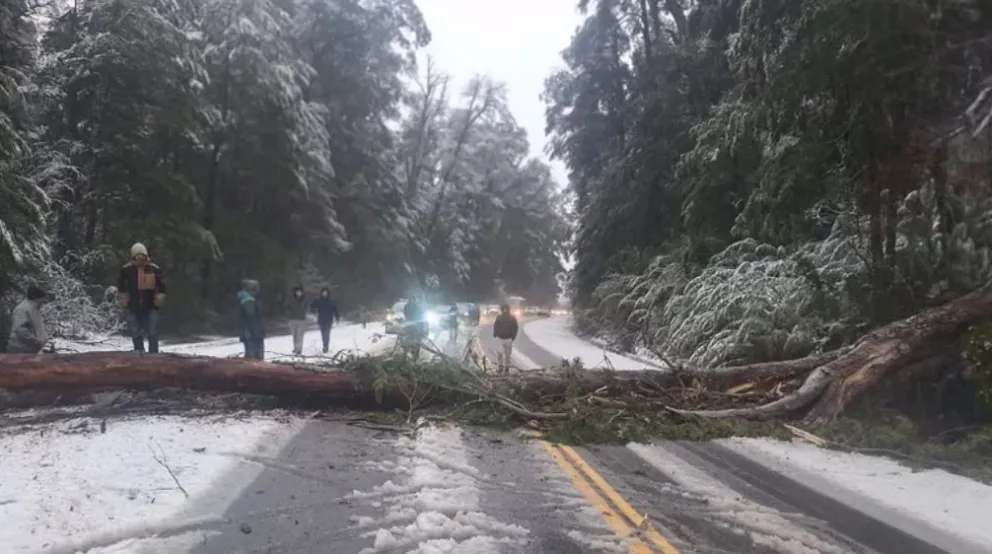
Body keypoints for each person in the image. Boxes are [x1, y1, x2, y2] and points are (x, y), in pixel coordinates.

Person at [118, 243, 165, 353]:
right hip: (132, 306)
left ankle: (154, 355)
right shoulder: (126, 270)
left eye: (142, 256)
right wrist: (123, 297)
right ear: (133, 257)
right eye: (137, 257)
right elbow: (121, 286)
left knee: (152, 331)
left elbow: (162, 286)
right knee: (135, 331)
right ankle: (139, 354)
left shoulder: (154, 269)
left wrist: (160, 296)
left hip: (150, 306)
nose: (140, 260)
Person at [7, 286, 50, 353]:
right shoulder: (23, 309)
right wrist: (35, 341)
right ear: (37, 298)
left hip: (30, 349)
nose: (44, 303)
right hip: (20, 349)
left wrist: (43, 339)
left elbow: (36, 327)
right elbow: (20, 329)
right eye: (43, 300)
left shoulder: (35, 309)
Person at [238, 279, 265, 360]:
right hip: (252, 332)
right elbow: (251, 316)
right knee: (254, 355)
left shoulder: (250, 298)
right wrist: (256, 331)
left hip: (252, 331)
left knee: (253, 354)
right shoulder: (248, 300)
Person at [311, 287, 340, 354]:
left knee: (326, 334)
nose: (324, 294)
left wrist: (337, 318)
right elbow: (312, 306)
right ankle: (325, 345)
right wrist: (313, 312)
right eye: (323, 292)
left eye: (325, 292)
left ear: (328, 293)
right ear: (321, 293)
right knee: (323, 334)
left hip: (329, 320)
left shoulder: (331, 302)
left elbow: (335, 310)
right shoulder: (318, 301)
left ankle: (325, 346)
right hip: (321, 320)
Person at [493, 304, 519, 374]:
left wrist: (512, 337)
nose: (505, 310)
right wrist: (495, 334)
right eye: (504, 309)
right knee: (499, 354)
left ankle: (507, 368)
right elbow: (495, 326)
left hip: (508, 339)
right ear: (502, 309)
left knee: (508, 355)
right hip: (500, 338)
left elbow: (515, 328)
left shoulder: (512, 318)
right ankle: (500, 367)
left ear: (508, 309)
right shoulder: (499, 317)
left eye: (506, 309)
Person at [288, 285, 309, 356]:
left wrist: (304, 312)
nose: (299, 293)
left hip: (301, 319)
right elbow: (286, 306)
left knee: (300, 335)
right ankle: (295, 348)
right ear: (295, 292)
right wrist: (289, 313)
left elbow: (307, 307)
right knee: (295, 335)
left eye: (300, 292)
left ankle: (299, 349)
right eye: (298, 292)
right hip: (292, 319)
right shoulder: (291, 299)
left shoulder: (305, 299)